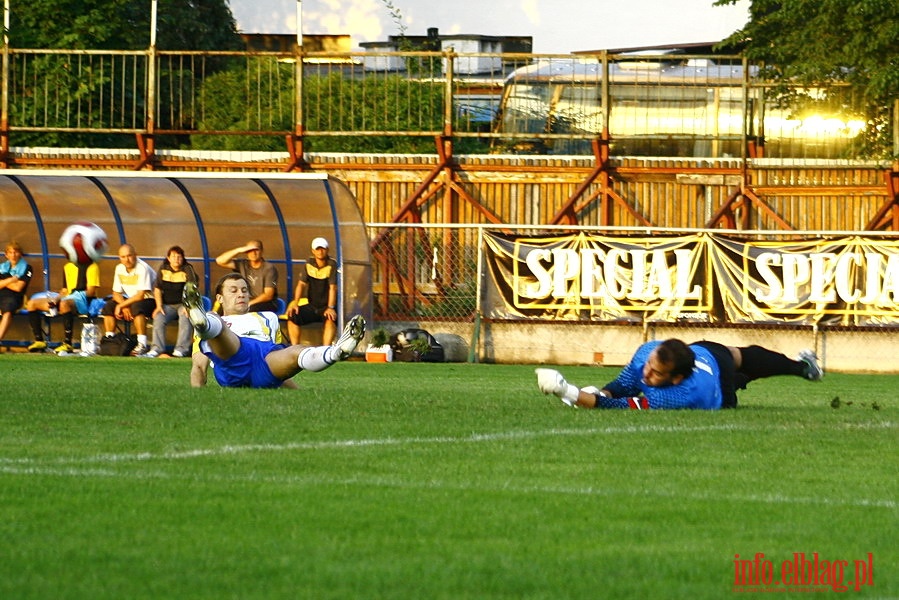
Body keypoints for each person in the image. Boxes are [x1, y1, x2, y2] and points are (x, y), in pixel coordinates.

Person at [185, 274, 365, 389]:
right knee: (218, 325)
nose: (240, 294)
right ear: (220, 298)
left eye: (244, 290)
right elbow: (199, 365)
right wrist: (198, 396)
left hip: (264, 363)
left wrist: (297, 393)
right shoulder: (218, 319)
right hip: (232, 364)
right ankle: (203, 324)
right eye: (233, 291)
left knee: (295, 352)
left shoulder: (268, 318)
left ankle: (337, 352)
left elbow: (277, 361)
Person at [536, 338, 824, 410]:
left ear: (674, 378)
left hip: (717, 390)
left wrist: (567, 391)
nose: (645, 374)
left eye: (655, 373)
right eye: (648, 364)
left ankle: (802, 367)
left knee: (740, 372)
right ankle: (800, 365)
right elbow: (623, 386)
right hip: (705, 352)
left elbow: (615, 406)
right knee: (738, 356)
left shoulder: (677, 395)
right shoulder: (649, 350)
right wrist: (603, 390)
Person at [26, 256, 102, 354]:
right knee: (32, 304)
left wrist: (72, 296)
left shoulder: (92, 266)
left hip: (84, 300)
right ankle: (39, 341)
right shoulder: (67, 266)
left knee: (64, 304)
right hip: (67, 298)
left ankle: (67, 343)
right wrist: (56, 299)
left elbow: (91, 292)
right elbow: (65, 291)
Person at [100, 244, 156, 356]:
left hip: (150, 299)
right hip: (131, 300)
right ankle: (110, 340)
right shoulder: (119, 268)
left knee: (136, 307)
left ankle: (142, 344)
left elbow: (141, 295)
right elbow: (116, 293)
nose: (127, 259)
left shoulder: (142, 268)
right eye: (123, 257)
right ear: (119, 258)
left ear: (136, 255)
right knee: (109, 306)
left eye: (129, 256)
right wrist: (124, 306)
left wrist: (122, 306)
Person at [145, 245, 197, 358]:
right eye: (173, 256)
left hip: (183, 304)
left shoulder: (188, 269)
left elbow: (191, 289)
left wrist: (189, 307)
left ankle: (180, 350)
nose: (176, 259)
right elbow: (157, 288)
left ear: (183, 258)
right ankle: (156, 349)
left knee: (185, 317)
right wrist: (159, 306)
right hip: (167, 305)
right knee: (159, 317)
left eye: (179, 257)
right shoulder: (163, 269)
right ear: (168, 258)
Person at [286, 237, 339, 345]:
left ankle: (326, 351)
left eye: (323, 249)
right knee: (292, 315)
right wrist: (295, 302)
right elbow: (301, 284)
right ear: (313, 251)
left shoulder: (332, 264)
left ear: (327, 250)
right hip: (312, 306)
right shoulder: (309, 263)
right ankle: (295, 349)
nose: (320, 251)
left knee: (330, 318)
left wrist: (330, 308)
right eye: (317, 249)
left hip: (326, 307)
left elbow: (332, 288)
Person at [215, 239, 279, 313]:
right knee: (224, 306)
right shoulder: (243, 264)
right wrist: (238, 250)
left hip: (264, 303)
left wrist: (248, 303)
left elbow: (268, 295)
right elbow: (220, 261)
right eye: (250, 250)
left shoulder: (269, 268)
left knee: (246, 310)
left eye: (256, 250)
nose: (253, 253)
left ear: (262, 251)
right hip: (245, 300)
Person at [0, 240, 33, 343]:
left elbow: (19, 288)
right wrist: (11, 280)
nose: (13, 255)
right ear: (6, 255)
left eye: (16, 252)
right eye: (10, 252)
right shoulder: (2, 268)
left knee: (8, 311)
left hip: (15, 297)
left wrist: (3, 282)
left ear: (20, 254)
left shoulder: (27, 268)